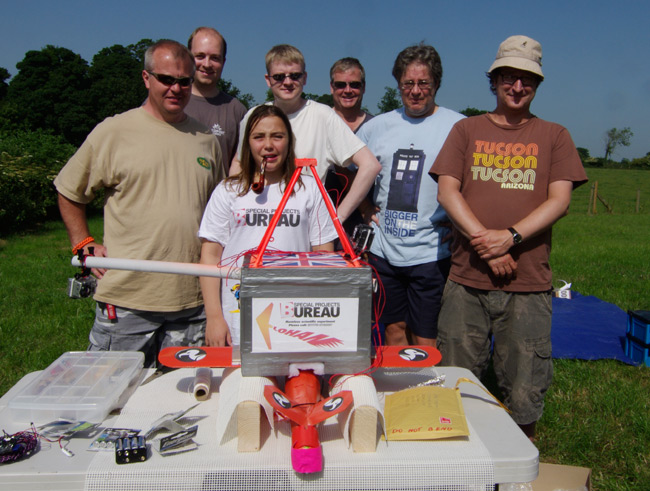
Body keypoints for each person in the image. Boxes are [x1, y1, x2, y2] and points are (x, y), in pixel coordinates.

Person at [430, 35, 588, 438]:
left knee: (524, 382)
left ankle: (520, 461)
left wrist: (511, 237)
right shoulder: (465, 130)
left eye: (527, 80)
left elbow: (560, 201)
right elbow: (447, 191)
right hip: (466, 278)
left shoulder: (555, 135)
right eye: (509, 78)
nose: (518, 87)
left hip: (528, 281)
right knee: (455, 376)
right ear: (495, 79)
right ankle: (459, 458)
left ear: (537, 85)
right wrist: (489, 241)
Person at [54, 39, 225, 367]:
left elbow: (218, 212)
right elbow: (69, 189)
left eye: (184, 81)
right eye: (166, 79)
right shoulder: (114, 131)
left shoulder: (206, 140)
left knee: (181, 401)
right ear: (146, 78)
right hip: (127, 300)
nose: (176, 88)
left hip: (190, 303)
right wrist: (83, 241)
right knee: (111, 397)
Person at [199, 105, 338, 347]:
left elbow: (324, 254)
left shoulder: (311, 189)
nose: (268, 145)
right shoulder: (227, 190)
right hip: (237, 312)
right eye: (258, 137)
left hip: (295, 313)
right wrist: (214, 317)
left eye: (277, 136)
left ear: (289, 142)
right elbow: (210, 256)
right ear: (247, 143)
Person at [356, 43, 464, 347]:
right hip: (385, 251)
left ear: (436, 84)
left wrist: (459, 224)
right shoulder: (375, 128)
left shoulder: (458, 127)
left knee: (426, 337)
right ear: (398, 84)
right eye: (408, 84)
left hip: (431, 252)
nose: (415, 91)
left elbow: (473, 184)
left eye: (423, 83)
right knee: (393, 330)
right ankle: (398, 391)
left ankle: (427, 392)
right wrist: (365, 206)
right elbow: (349, 170)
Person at [230, 44, 380, 225]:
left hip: (307, 231)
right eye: (278, 77)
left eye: (295, 75)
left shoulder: (323, 115)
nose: (287, 82)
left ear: (305, 78)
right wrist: (235, 207)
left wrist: (336, 218)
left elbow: (370, 165)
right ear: (268, 80)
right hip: (259, 222)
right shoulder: (253, 116)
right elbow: (239, 162)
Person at [185, 27, 247, 170]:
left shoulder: (237, 111)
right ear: (188, 58)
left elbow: (243, 165)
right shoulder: (170, 103)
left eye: (214, 58)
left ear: (223, 62)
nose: (207, 64)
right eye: (200, 56)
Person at [329, 57, 373, 133]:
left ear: (364, 87)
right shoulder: (319, 124)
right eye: (340, 85)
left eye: (355, 85)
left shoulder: (376, 126)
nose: (348, 90)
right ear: (332, 88)